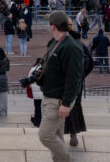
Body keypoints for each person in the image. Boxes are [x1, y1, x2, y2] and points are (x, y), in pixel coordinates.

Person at [36, 10, 84, 162]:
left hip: (58, 100)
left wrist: (66, 103)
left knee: (44, 135)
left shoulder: (71, 47)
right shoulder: (56, 43)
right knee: (57, 136)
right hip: (49, 96)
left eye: (49, 23)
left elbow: (74, 79)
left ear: (53, 27)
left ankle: (68, 160)